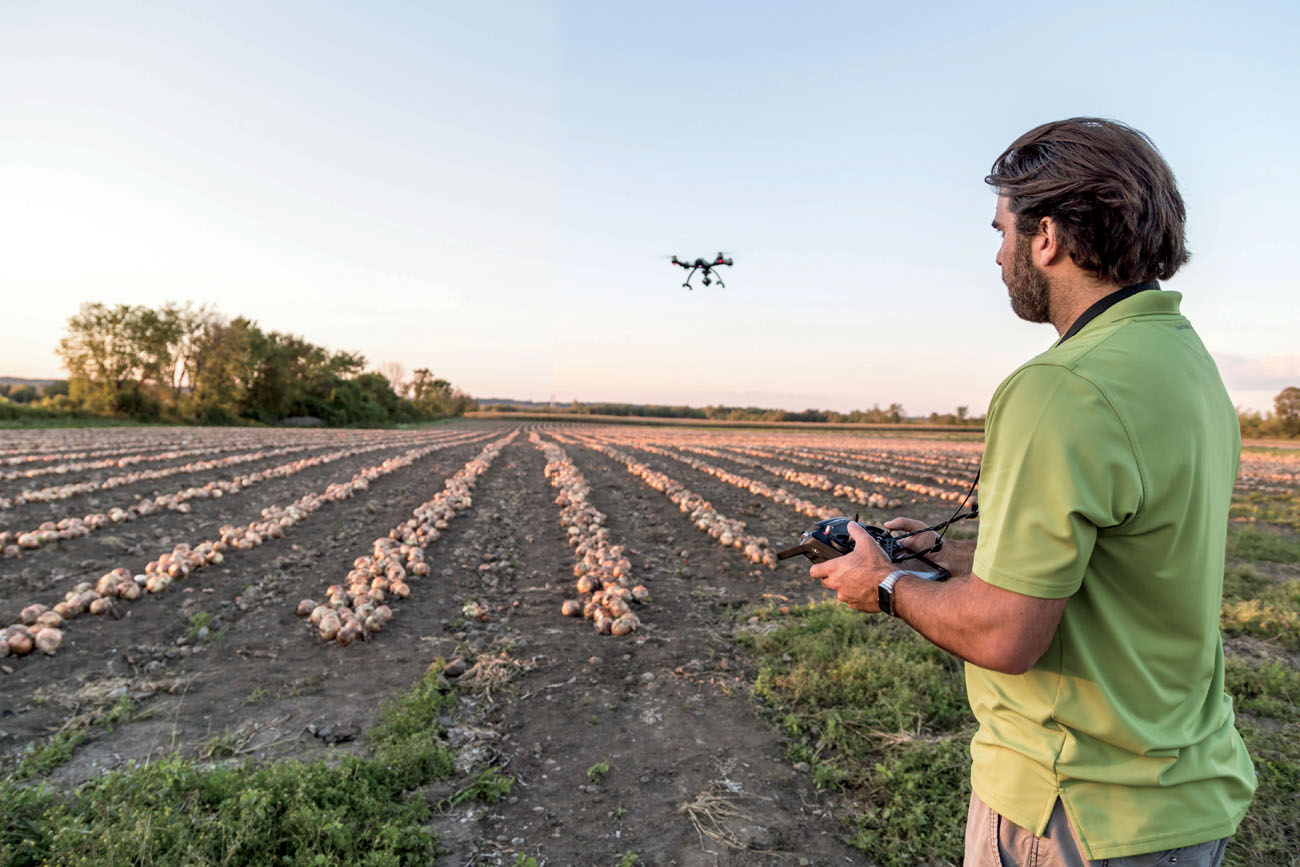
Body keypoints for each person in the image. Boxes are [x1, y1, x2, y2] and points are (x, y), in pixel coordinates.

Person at [810, 118, 1256, 866]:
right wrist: (947, 556)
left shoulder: (1061, 386)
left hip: (1074, 808)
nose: (996, 253)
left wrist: (882, 582)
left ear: (1045, 236)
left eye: (1002, 230)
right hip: (1182, 789)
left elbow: (1006, 634)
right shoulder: (1184, 362)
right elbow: (1114, 560)